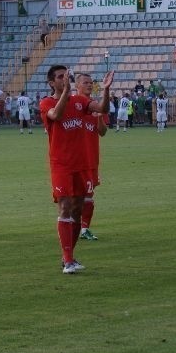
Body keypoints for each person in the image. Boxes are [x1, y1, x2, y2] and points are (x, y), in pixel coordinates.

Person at [40, 66, 113, 274]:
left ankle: (69, 256)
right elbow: (57, 114)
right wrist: (66, 93)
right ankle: (68, 259)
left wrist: (106, 90)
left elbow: (102, 109)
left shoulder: (80, 102)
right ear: (52, 83)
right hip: (61, 165)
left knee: (77, 210)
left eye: (66, 76)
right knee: (65, 207)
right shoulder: (46, 103)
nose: (65, 79)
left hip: (83, 164)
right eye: (60, 77)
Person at [76, 74, 107, 241]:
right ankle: (73, 227)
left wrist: (100, 117)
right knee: (74, 197)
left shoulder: (96, 107)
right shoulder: (72, 105)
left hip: (91, 159)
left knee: (89, 195)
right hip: (75, 160)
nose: (89, 85)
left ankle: (84, 229)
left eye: (91, 83)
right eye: (85, 83)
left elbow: (102, 132)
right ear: (77, 86)